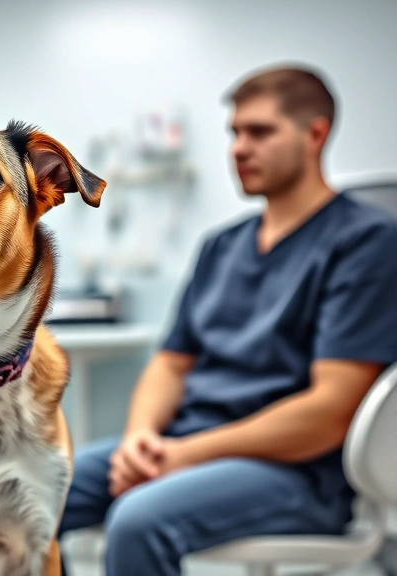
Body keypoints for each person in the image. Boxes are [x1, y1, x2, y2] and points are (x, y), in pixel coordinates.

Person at [58, 65, 397, 575]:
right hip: (186, 440)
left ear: (316, 134)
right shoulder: (222, 246)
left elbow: (331, 410)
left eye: (260, 132)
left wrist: (187, 455)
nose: (239, 148)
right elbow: (170, 364)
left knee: (137, 520)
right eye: (235, 133)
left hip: (297, 469)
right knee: (32, 493)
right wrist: (139, 439)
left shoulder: (366, 243)